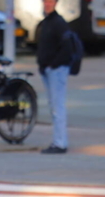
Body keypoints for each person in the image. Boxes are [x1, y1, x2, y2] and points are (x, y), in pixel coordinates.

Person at [35, 0, 73, 154]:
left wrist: (54, 64)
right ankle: (59, 141)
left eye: (50, 1)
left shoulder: (58, 23)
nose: (47, 3)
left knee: (57, 107)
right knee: (54, 106)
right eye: (45, 1)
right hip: (49, 69)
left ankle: (60, 143)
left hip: (56, 70)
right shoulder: (47, 22)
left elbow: (67, 48)